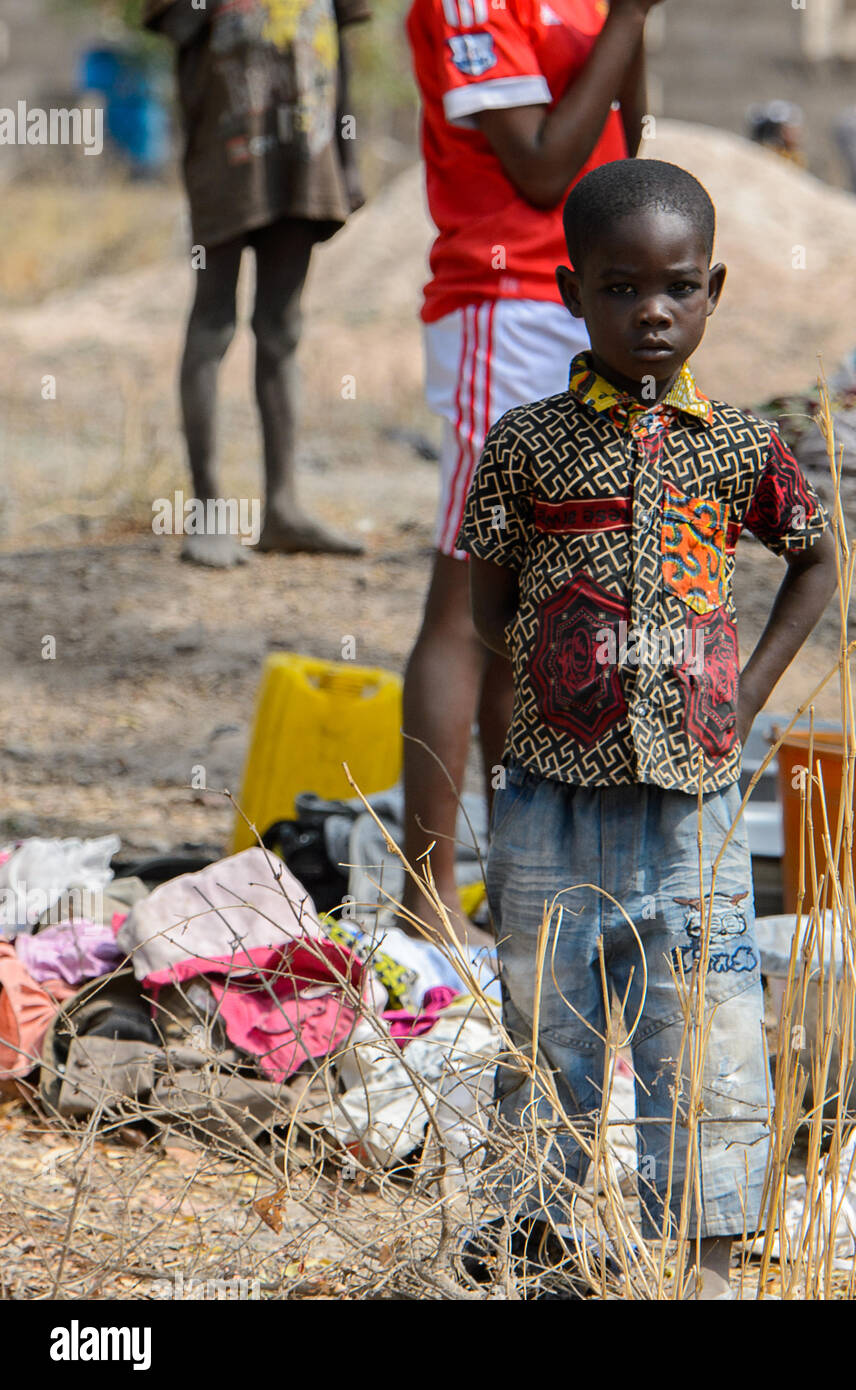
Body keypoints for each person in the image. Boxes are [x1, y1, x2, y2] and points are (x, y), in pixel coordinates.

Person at [456, 159, 836, 1296]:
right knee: (546, 1028)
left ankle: (708, 1262)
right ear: (573, 290)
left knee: (706, 1028)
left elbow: (814, 557)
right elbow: (489, 594)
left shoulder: (741, 445)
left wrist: (749, 690)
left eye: (677, 287)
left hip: (696, 800)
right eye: (621, 288)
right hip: (549, 797)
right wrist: (518, 726)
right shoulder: (527, 443)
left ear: (713, 289)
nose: (652, 312)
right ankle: (536, 1241)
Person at [402, 0, 661, 952]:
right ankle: (424, 892)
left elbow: (629, 137)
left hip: (579, 297)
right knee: (464, 605)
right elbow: (543, 166)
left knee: (537, 609)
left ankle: (523, 885)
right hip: (502, 303)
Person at [145, 0, 369, 566]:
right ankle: (209, 515)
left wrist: (349, 156)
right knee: (214, 320)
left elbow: (341, 45)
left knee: (282, 326)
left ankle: (284, 508)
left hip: (306, 151)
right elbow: (177, 23)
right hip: (226, 156)